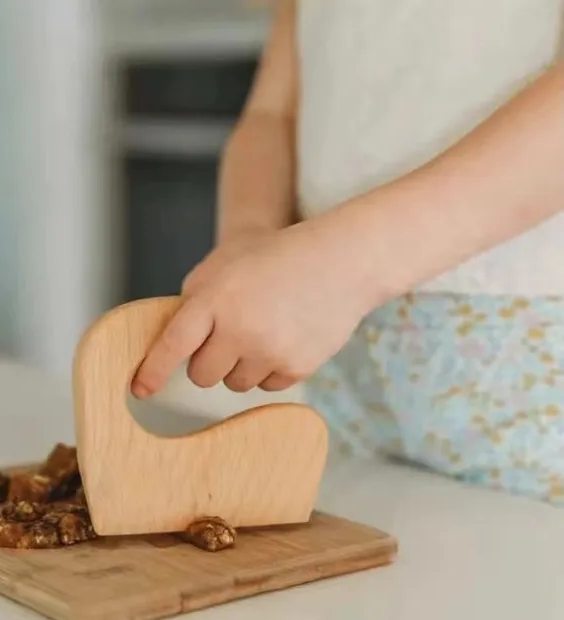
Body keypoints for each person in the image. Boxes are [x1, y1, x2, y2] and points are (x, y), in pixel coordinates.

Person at [133, 1, 564, 502]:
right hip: (350, 376)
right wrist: (249, 238)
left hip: (536, 370)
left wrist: (342, 267)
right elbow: (273, 114)